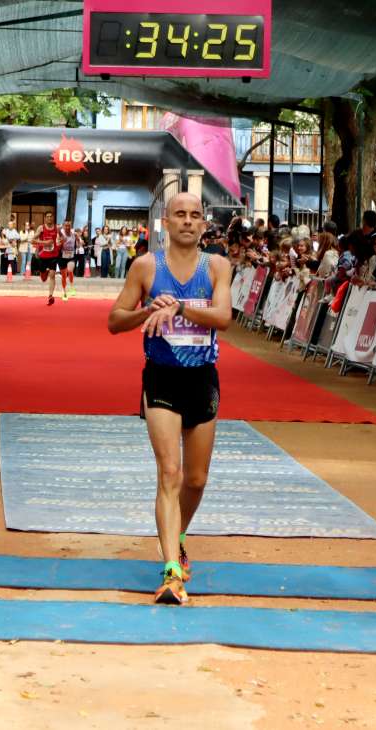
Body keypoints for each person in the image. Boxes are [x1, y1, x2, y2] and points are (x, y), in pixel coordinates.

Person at [107, 192, 231, 606]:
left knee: (196, 480)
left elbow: (224, 318)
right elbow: (114, 321)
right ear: (165, 221)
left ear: (203, 223)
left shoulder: (217, 266)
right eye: (180, 214)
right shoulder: (146, 266)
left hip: (203, 378)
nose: (188, 222)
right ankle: (171, 573)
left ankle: (176, 537)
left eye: (195, 215)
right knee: (170, 473)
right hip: (160, 378)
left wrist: (179, 308)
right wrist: (147, 312)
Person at [32, 212, 64, 305]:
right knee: (43, 278)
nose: (49, 218)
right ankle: (44, 272)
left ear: (53, 218)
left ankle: (50, 295)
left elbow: (62, 238)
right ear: (45, 218)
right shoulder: (41, 228)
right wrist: (44, 243)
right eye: (48, 217)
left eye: (51, 216)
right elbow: (33, 240)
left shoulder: (57, 228)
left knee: (52, 275)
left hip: (53, 255)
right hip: (42, 256)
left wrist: (59, 242)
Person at [60, 220, 78, 301]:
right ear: (63, 226)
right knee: (64, 276)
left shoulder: (74, 233)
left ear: (71, 226)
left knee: (70, 270)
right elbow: (57, 242)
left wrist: (79, 241)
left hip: (71, 256)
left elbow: (79, 242)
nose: (67, 227)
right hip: (62, 257)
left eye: (69, 226)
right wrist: (60, 242)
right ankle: (64, 292)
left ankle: (71, 286)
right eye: (66, 225)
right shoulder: (61, 233)